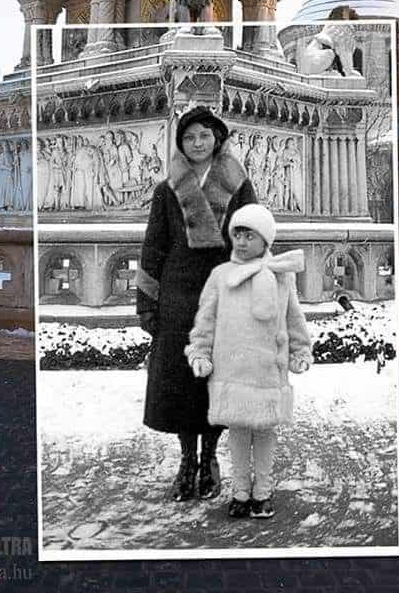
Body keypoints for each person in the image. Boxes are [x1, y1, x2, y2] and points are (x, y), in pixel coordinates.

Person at [136, 107, 257, 502]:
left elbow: (254, 240)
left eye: (204, 136)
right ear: (181, 144)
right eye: (189, 138)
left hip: (225, 295)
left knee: (216, 382)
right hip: (178, 298)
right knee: (182, 384)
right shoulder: (166, 189)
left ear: (217, 139)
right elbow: (154, 245)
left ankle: (210, 460)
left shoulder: (239, 186)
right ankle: (187, 461)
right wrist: (147, 302)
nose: (197, 143)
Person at [185, 204, 312, 519]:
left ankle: (263, 492)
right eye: (237, 235)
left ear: (265, 240)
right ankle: (240, 492)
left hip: (268, 369)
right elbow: (206, 320)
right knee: (239, 434)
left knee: (265, 434)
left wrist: (300, 351)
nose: (240, 242)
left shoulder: (281, 276)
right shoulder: (221, 276)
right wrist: (199, 352)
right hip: (233, 370)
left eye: (248, 236)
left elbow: (294, 319)